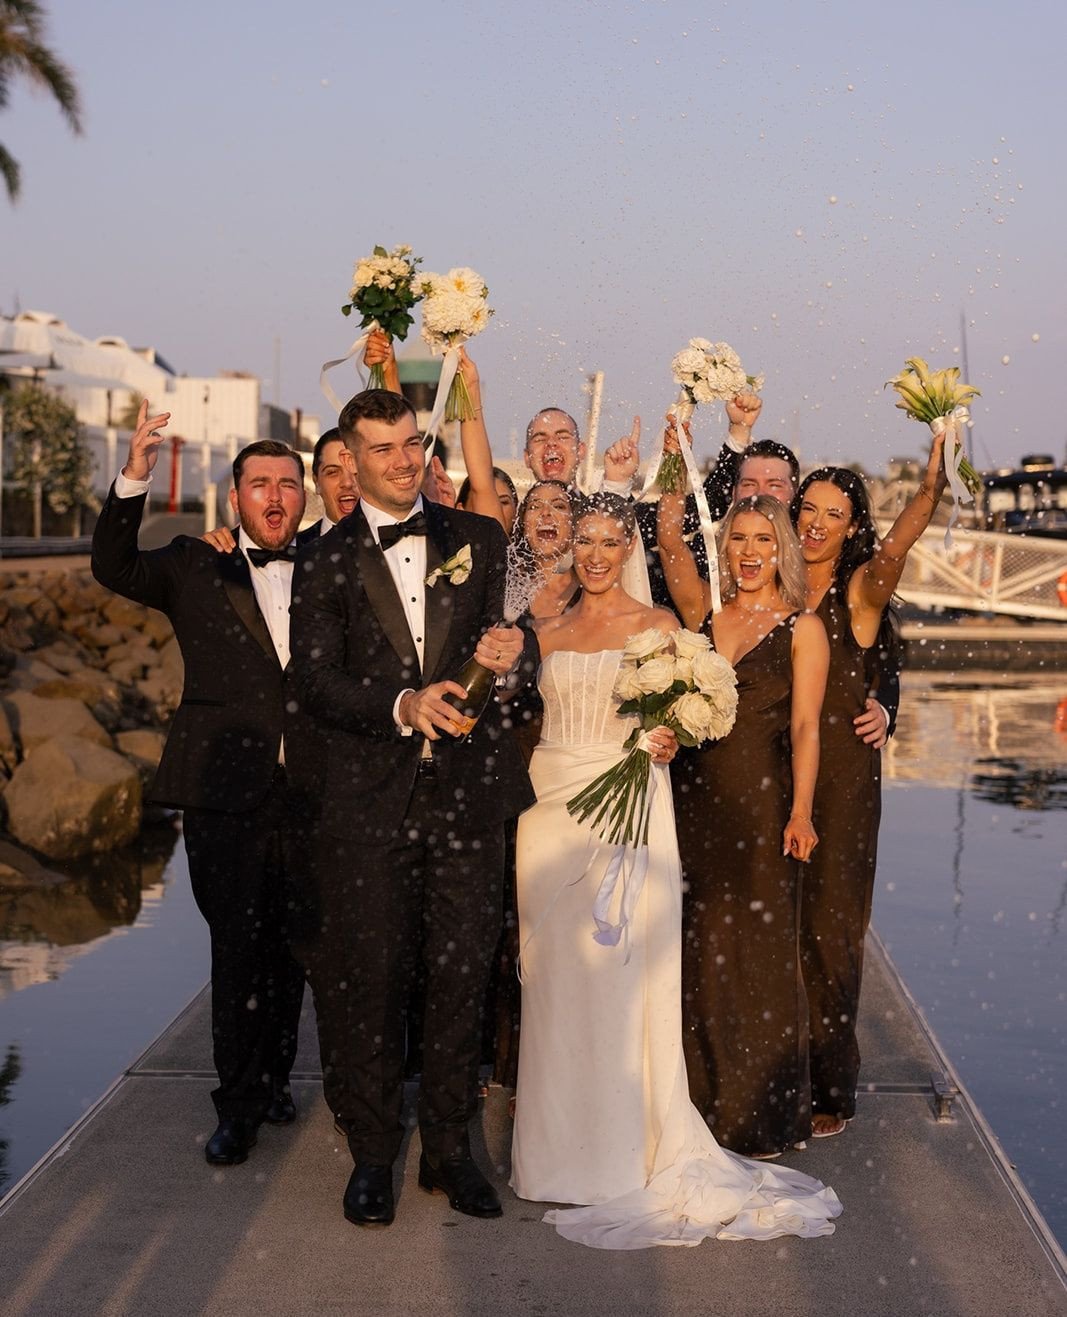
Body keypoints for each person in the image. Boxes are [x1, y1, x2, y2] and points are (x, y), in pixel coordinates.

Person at [510, 491, 841, 1248]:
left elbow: (694, 714)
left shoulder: (662, 627)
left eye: (609, 540)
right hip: (548, 809)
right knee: (553, 984)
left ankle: (622, 1153)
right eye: (584, 540)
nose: (595, 554)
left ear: (627, 548)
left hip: (625, 805)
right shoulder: (543, 630)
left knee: (621, 978)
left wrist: (664, 737)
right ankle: (553, 1155)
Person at [289, 387, 536, 1228]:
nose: (402, 461)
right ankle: (372, 1152)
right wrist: (401, 704)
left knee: (461, 976)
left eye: (410, 444)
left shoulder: (478, 538)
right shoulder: (322, 557)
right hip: (367, 805)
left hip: (469, 798)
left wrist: (512, 653)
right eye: (383, 449)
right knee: (372, 979)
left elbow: (514, 653)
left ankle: (449, 1150)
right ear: (350, 461)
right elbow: (314, 679)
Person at [91, 404, 314, 1166]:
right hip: (224, 790)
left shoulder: (330, 563)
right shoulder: (195, 561)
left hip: (310, 789)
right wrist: (135, 475)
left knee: (292, 947)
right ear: (235, 497)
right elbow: (114, 566)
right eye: (260, 484)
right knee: (236, 947)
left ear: (305, 496)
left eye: (288, 484)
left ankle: (276, 1078)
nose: (275, 497)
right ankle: (237, 1105)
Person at [658, 471, 829, 1156]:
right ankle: (701, 1104)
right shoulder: (704, 617)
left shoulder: (803, 626)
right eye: (738, 540)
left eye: (763, 540)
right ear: (724, 548)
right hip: (692, 803)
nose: (750, 552)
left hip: (761, 806)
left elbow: (807, 728)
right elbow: (668, 540)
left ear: (781, 548)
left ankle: (760, 1114)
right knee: (700, 949)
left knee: (758, 955)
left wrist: (802, 812)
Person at [790, 435, 948, 1138]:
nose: (817, 523)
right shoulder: (768, 584)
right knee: (773, 928)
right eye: (809, 509)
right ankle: (770, 1070)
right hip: (776, 767)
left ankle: (829, 1084)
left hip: (842, 779)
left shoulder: (858, 593)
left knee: (829, 930)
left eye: (834, 514)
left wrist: (928, 490)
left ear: (853, 525)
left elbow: (896, 551)